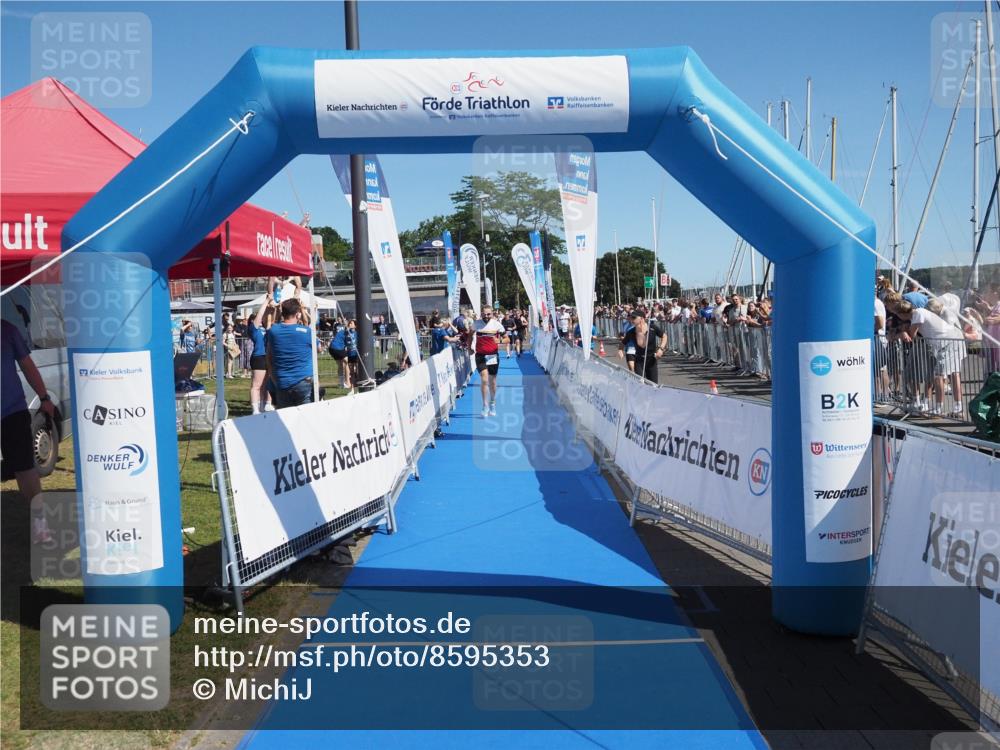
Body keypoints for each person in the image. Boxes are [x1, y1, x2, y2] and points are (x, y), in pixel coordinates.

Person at [2, 320, 56, 544]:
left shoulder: (6, 329)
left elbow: (27, 365)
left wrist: (44, 397)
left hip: (12, 411)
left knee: (25, 469)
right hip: (13, 410)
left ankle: (40, 523)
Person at [908, 298, 966, 416]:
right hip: (954, 343)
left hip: (951, 345)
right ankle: (957, 406)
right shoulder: (944, 312)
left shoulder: (946, 314)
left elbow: (947, 331)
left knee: (946, 375)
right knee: (954, 374)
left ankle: (945, 407)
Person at [266, 298, 314, 408]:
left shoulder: (273, 331)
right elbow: (319, 348)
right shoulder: (306, 331)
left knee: (286, 419)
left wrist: (273, 377)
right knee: (306, 418)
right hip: (304, 381)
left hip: (282, 381)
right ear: (298, 314)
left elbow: (269, 357)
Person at [617, 310, 666, 383]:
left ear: (642, 319)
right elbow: (623, 343)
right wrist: (620, 350)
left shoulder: (652, 328)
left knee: (653, 385)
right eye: (631, 317)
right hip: (639, 361)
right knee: (640, 383)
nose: (631, 319)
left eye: (634, 318)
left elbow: (664, 336)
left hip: (651, 360)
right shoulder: (631, 332)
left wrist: (661, 349)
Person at [473, 305, 505, 417]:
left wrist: (499, 340)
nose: (486, 316)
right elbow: (469, 335)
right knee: (484, 379)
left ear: (492, 314)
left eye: (488, 314)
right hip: (480, 355)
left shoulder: (497, 324)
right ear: (481, 314)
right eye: (484, 314)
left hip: (493, 356)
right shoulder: (476, 324)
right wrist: (468, 348)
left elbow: (507, 339)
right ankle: (484, 405)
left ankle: (492, 403)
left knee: (492, 382)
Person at [248, 296, 273, 414]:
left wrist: (272, 307)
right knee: (256, 385)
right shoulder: (253, 329)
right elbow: (259, 318)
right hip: (258, 357)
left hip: (266, 357)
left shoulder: (264, 329)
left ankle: (263, 406)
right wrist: (266, 301)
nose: (259, 320)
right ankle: (255, 409)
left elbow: (269, 320)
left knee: (265, 385)